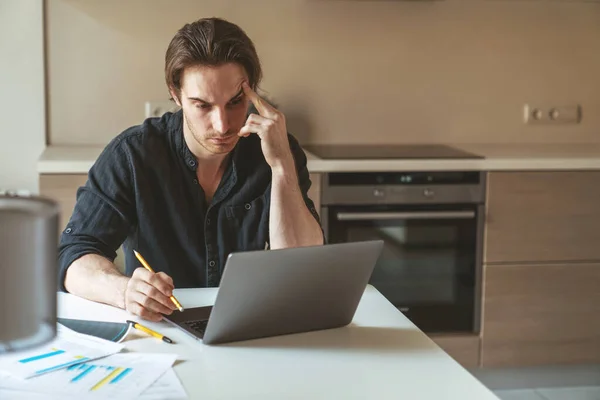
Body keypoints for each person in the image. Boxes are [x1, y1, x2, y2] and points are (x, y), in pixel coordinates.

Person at [58, 17, 324, 322]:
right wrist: (124, 291)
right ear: (176, 94)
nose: (223, 125)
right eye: (203, 106)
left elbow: (301, 266)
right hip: (161, 331)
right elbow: (73, 255)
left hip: (246, 326)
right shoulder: (132, 155)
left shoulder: (277, 149)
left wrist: (281, 167)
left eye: (236, 102)